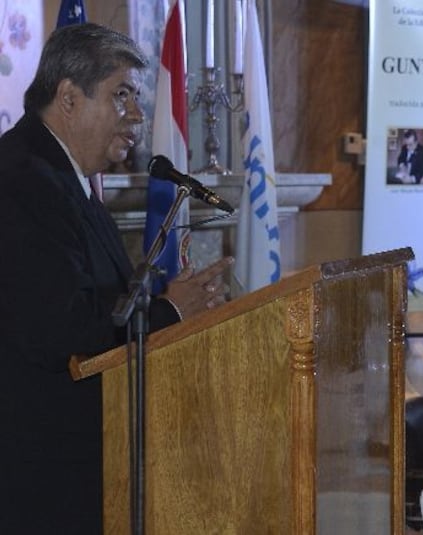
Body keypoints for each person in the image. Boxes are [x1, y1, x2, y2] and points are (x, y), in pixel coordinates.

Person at [0, 23, 233, 534]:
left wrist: (172, 301)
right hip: (45, 475)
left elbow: (102, 299)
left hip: (80, 461)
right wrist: (171, 311)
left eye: (137, 97)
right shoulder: (23, 179)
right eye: (121, 94)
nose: (135, 115)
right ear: (68, 97)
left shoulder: (67, 179)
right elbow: (56, 329)